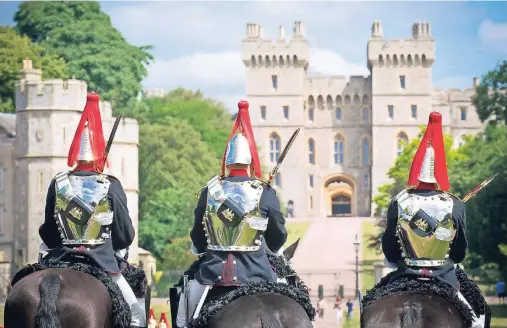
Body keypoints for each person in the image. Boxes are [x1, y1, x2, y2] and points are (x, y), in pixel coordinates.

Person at [175, 100, 288, 328]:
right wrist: (273, 248)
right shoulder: (264, 191)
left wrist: (198, 247)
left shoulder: (210, 191)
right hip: (259, 272)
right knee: (299, 303)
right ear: (249, 162)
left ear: (227, 160)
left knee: (181, 318)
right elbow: (277, 234)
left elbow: (198, 233)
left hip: (212, 274)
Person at [38, 93, 146, 328]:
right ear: (99, 155)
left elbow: (48, 233)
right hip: (103, 262)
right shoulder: (110, 184)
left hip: (60, 259)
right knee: (137, 316)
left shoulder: (58, 183)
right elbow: (125, 236)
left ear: (75, 153)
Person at [381, 111, 484, 327]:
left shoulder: (398, 201)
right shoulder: (454, 204)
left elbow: (390, 248)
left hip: (404, 274)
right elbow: (459, 252)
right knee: (479, 313)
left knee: (370, 304)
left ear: (416, 171)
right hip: (445, 276)